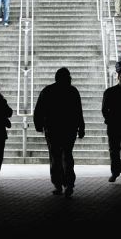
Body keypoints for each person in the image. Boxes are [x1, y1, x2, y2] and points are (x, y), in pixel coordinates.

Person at [34, 67, 85, 198]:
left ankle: (57, 184)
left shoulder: (48, 91)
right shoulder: (72, 91)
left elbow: (39, 109)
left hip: (52, 129)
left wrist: (38, 124)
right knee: (67, 155)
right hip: (69, 129)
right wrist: (81, 127)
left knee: (55, 156)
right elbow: (78, 111)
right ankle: (69, 184)